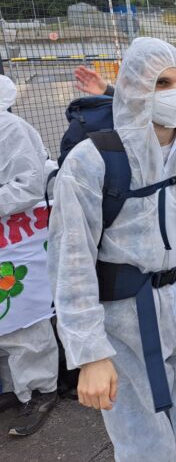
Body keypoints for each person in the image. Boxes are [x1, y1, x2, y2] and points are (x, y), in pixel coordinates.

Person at [49, 38, 176, 460]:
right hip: (124, 324)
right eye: (160, 83)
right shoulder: (90, 162)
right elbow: (71, 262)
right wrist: (90, 353)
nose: (173, 93)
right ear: (135, 87)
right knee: (144, 446)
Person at [0, 75, 59, 437]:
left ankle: (41, 389)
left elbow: (28, 185)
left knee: (24, 317)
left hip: (15, 240)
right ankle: (13, 388)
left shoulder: (10, 130)